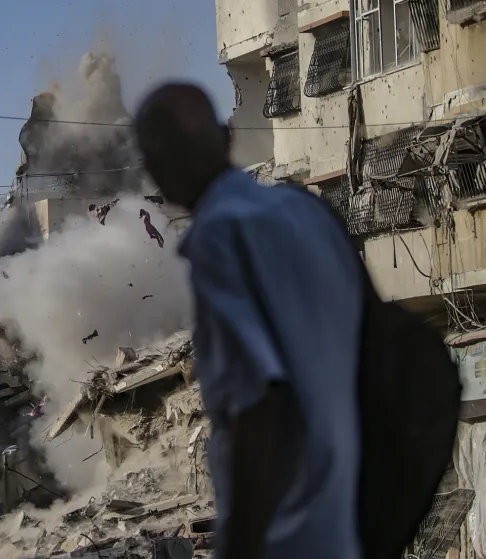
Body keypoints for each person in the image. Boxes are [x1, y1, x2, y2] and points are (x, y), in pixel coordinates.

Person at [134, 83, 364, 559]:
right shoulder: (306, 212)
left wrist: (240, 549)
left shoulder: (220, 238)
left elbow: (258, 407)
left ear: (155, 169)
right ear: (225, 136)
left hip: (285, 540)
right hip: (345, 527)